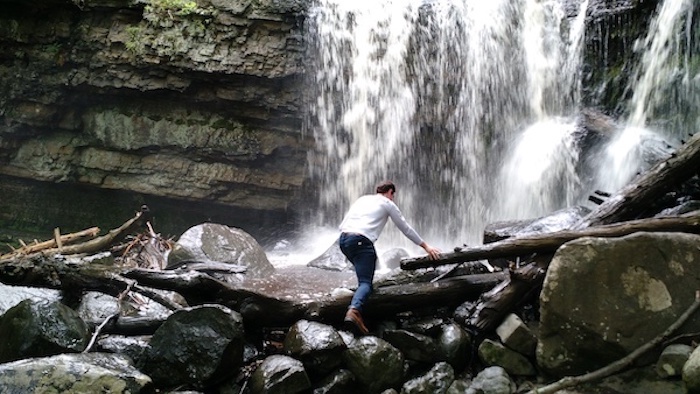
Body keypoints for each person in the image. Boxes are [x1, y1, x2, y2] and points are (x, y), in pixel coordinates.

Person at [338, 181, 441, 334]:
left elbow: (344, 223)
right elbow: (405, 228)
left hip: (344, 240)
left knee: (363, 276)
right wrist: (426, 247)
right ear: (390, 192)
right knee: (366, 283)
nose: (393, 199)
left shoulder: (363, 199)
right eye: (393, 196)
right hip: (361, 241)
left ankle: (358, 302)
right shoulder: (387, 203)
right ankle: (354, 311)